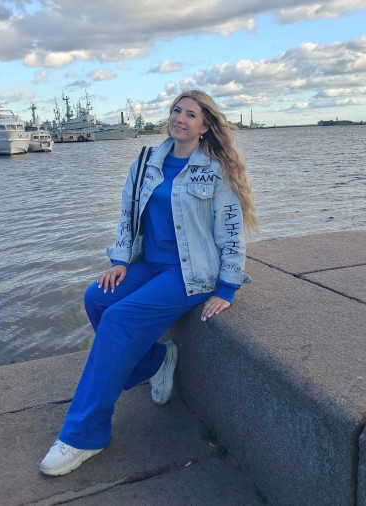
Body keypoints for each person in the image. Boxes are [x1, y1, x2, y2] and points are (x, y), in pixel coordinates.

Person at [39, 89, 258, 476]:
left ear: (205, 126)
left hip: (191, 272)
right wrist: (120, 261)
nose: (180, 119)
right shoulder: (146, 162)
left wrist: (227, 288)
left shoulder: (214, 170)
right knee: (97, 298)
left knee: (119, 319)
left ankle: (84, 434)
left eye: (191, 115)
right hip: (150, 264)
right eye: (177, 110)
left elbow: (230, 231)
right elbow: (127, 216)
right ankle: (155, 360)